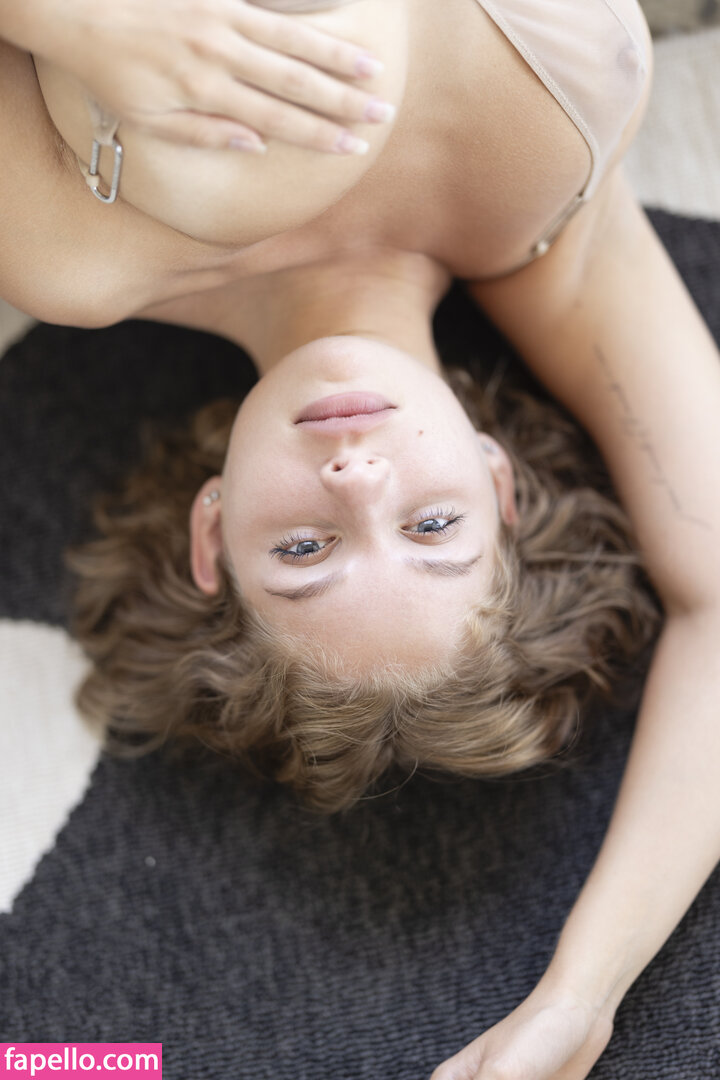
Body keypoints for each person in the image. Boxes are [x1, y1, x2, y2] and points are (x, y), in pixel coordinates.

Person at [2, 2, 720, 1078]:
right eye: (432, 528)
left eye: (304, 550)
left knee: (237, 181)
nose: (358, 482)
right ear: (498, 482)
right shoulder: (547, 226)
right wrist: (581, 997)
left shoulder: (73, 255)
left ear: (213, 532)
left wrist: (81, 26)